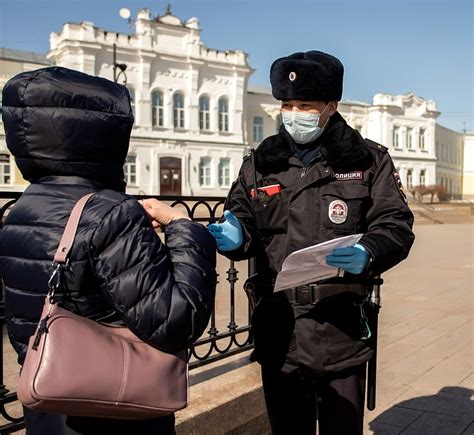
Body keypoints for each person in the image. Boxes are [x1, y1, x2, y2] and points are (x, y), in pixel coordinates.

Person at [0, 66, 217, 435]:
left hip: (48, 397)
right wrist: (185, 230)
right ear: (105, 137)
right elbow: (175, 322)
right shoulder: (111, 213)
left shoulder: (23, 208)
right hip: (112, 409)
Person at [208, 50, 415, 434]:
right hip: (278, 327)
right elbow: (242, 218)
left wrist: (369, 251)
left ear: (330, 106)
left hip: (338, 328)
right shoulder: (261, 163)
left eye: (305, 104)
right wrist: (236, 239)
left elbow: (396, 224)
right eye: (287, 104)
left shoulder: (368, 160)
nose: (294, 112)